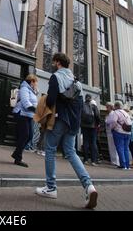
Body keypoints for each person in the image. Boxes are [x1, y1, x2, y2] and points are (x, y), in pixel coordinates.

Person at [36, 53, 98, 209]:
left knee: (49, 149)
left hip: (60, 119)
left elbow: (50, 100)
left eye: (53, 62)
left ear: (57, 63)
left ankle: (51, 188)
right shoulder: (77, 82)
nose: (53, 64)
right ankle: (89, 186)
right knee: (70, 152)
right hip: (74, 123)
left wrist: (44, 101)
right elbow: (79, 105)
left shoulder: (56, 77)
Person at [11, 74, 38, 167]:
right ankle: (18, 158)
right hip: (21, 114)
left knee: (30, 136)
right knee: (25, 135)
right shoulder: (24, 89)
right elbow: (26, 102)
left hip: (28, 116)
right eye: (35, 82)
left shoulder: (33, 91)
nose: (36, 84)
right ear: (32, 81)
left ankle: (16, 154)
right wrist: (36, 110)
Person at [107, 101, 132, 170]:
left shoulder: (116, 112)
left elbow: (114, 121)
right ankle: (127, 165)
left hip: (119, 132)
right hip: (128, 132)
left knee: (120, 148)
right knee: (126, 148)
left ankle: (123, 165)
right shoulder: (126, 113)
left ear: (116, 106)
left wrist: (112, 128)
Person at [81, 94, 101, 166]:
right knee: (93, 143)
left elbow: (79, 115)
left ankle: (85, 159)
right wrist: (97, 124)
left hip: (84, 126)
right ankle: (93, 161)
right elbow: (97, 116)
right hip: (93, 126)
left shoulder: (82, 105)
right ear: (91, 99)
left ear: (85, 98)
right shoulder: (94, 106)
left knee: (85, 142)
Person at [105, 102, 119, 166]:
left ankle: (116, 161)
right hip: (109, 132)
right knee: (111, 147)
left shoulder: (112, 113)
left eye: (107, 107)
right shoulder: (109, 114)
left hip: (112, 131)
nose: (106, 108)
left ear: (110, 107)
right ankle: (113, 160)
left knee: (113, 146)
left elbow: (111, 121)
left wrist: (107, 121)